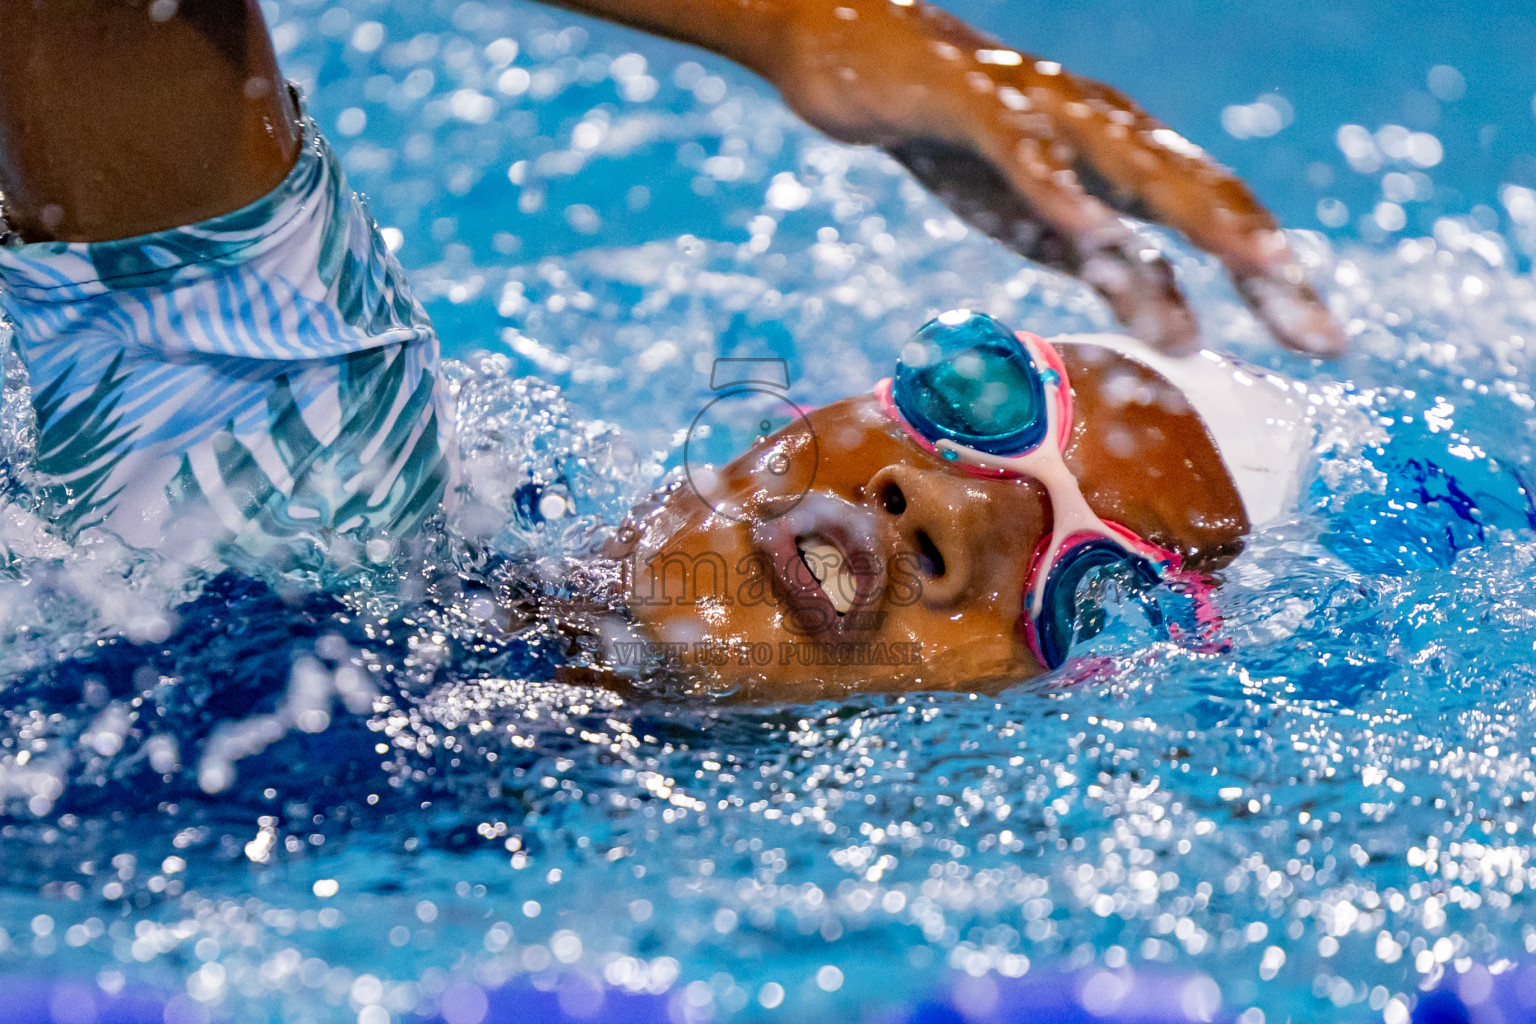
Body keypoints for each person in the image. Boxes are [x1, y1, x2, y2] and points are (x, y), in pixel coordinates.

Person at [0, 1, 1343, 689]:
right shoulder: (307, 494)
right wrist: (799, 23)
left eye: (1088, 589)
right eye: (980, 398)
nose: (943, 510)